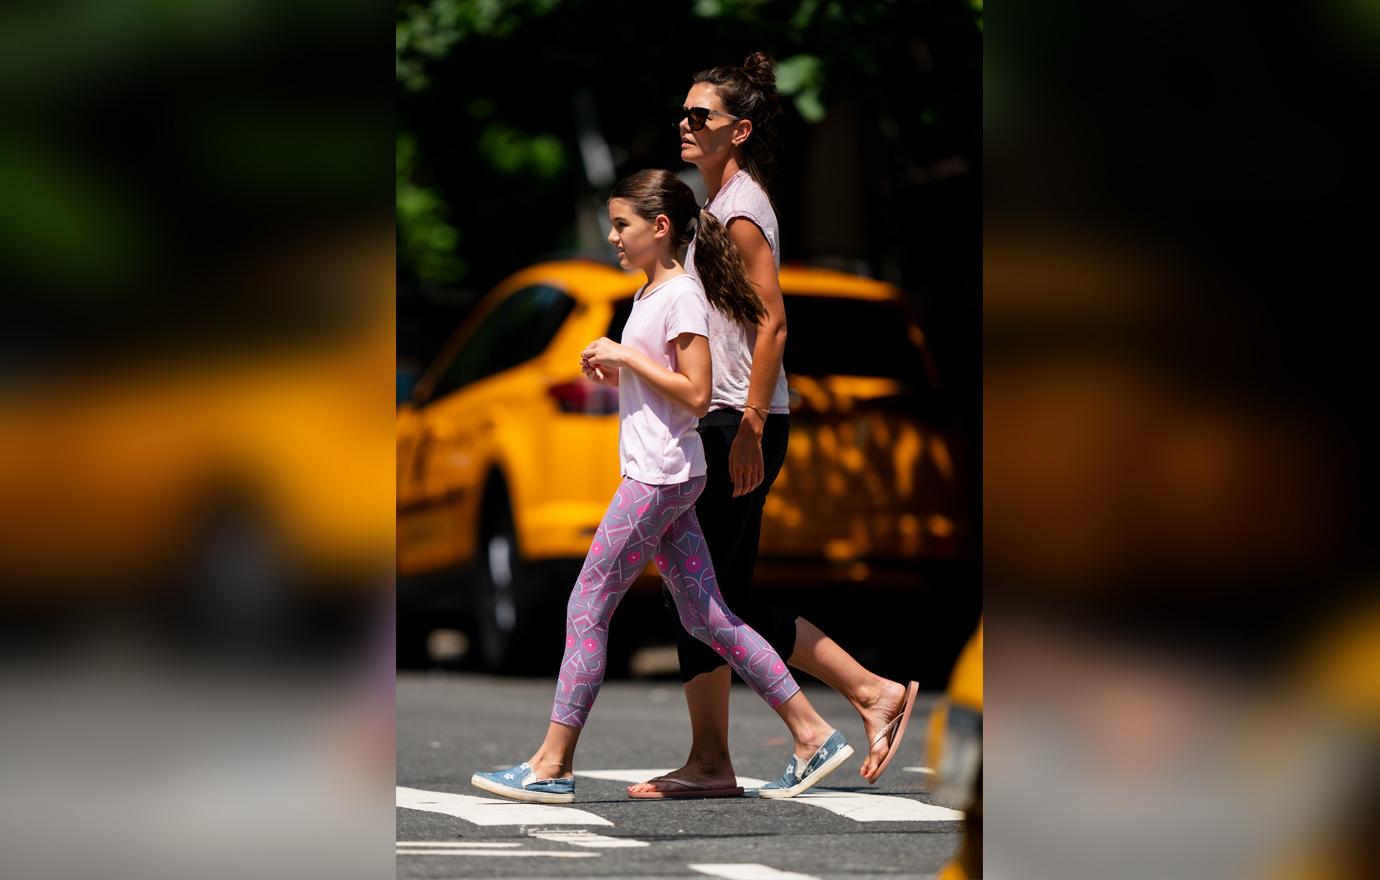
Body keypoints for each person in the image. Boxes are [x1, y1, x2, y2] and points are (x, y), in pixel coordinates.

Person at [470, 169, 852, 804]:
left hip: (659, 478)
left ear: (660, 226)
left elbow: (699, 394)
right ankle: (813, 734)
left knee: (587, 603)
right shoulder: (653, 293)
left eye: (622, 225)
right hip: (666, 472)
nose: (613, 237)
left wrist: (625, 359)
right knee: (711, 616)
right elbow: (665, 387)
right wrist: (619, 370)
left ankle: (551, 766)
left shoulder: (680, 297)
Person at [628, 53, 918, 800]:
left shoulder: (743, 208)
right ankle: (720, 755)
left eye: (703, 117)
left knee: (705, 594)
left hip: (740, 420)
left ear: (740, 130)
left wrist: (752, 423)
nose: (686, 127)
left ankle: (860, 696)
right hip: (728, 417)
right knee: (707, 592)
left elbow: (774, 323)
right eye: (684, 115)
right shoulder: (718, 204)